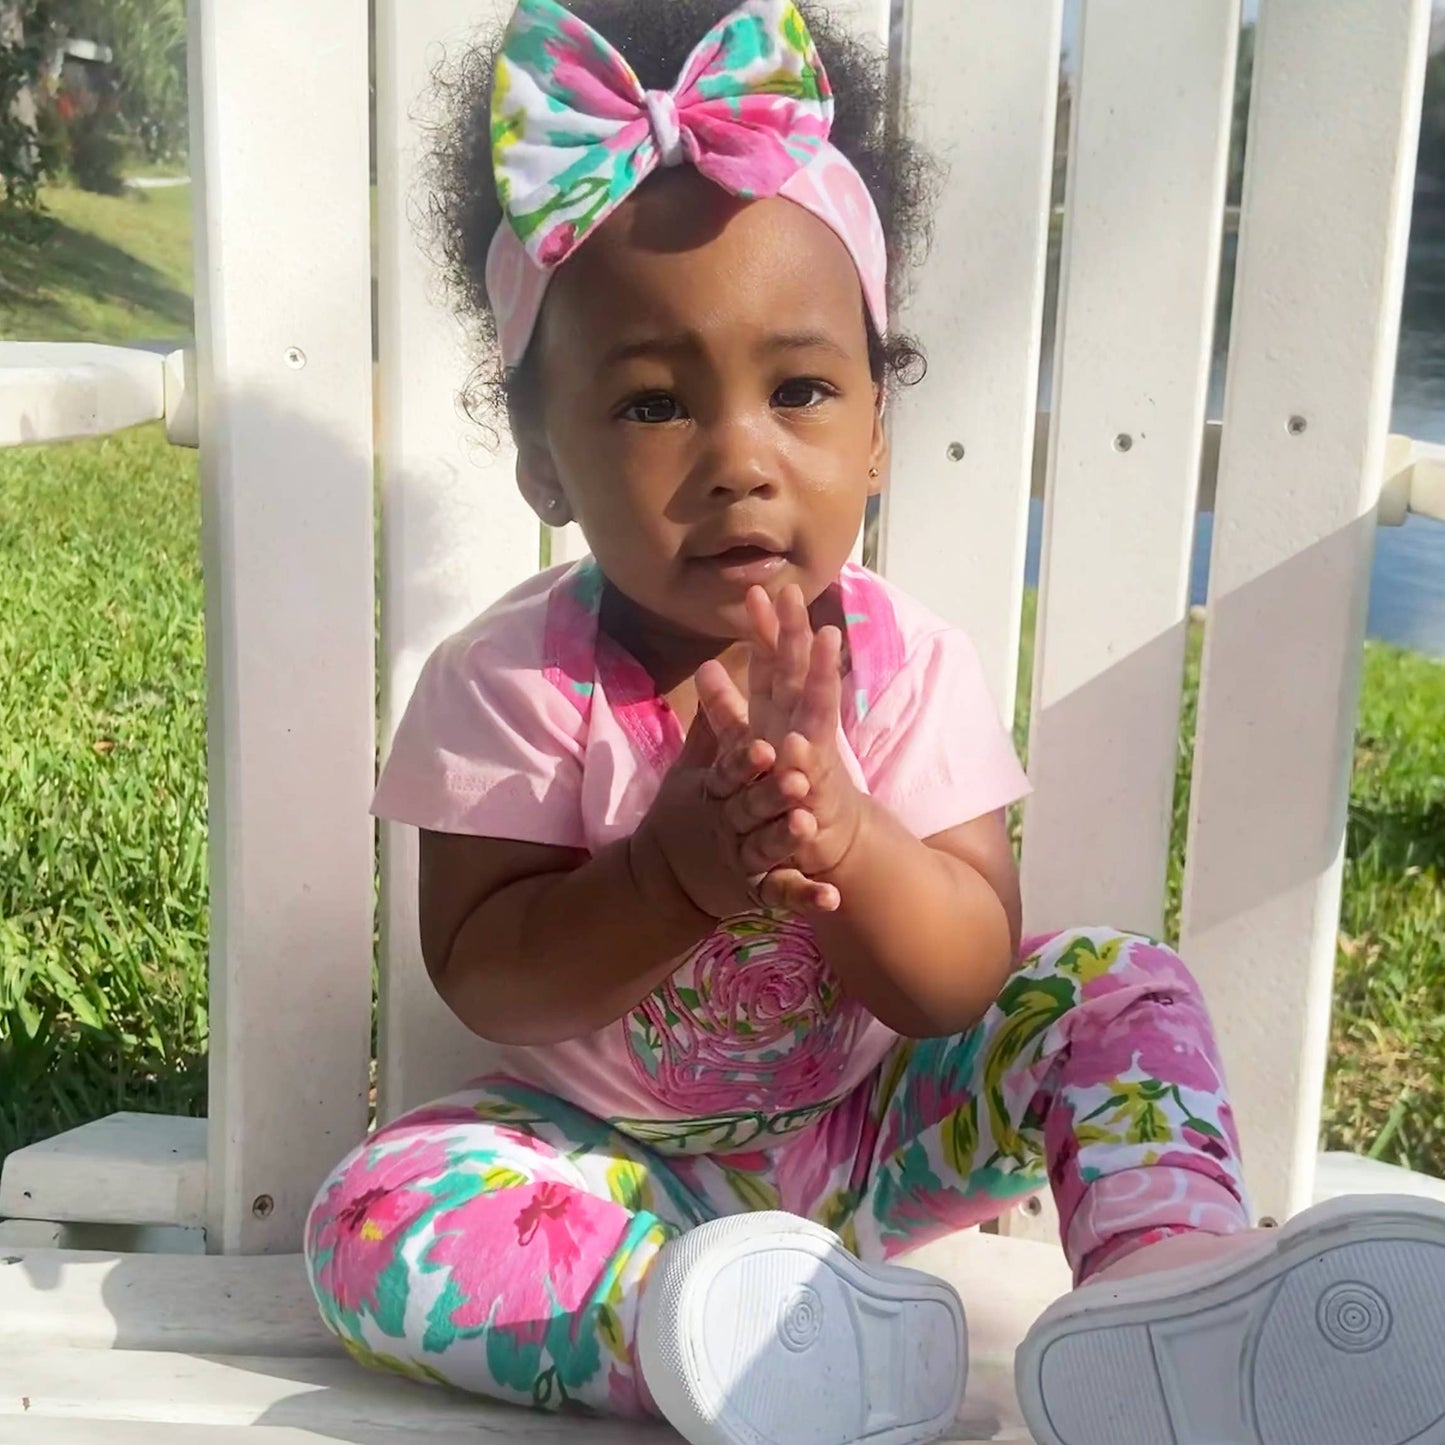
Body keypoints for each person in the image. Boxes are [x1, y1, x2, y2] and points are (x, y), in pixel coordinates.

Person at [303, 2, 1445, 1442]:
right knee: (376, 1208)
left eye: (798, 390)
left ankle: (1173, 1296)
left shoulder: (910, 671)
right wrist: (668, 879)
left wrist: (845, 835)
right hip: (610, 1171)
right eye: (653, 403)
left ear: (874, 430)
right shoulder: (512, 685)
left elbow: (960, 978)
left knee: (1112, 982)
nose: (737, 461)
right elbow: (486, 977)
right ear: (542, 456)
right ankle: (722, 1331)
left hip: (878, 1131)